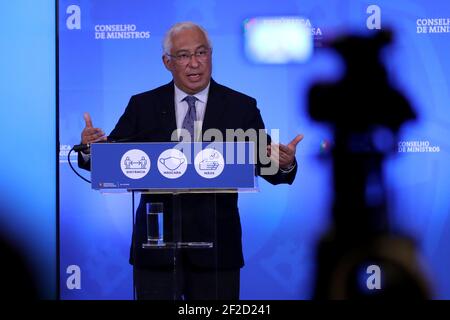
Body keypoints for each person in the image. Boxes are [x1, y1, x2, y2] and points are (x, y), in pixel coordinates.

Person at [78, 21, 303, 300]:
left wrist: (284, 163)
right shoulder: (143, 105)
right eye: (183, 56)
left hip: (218, 251)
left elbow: (266, 165)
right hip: (156, 249)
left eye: (201, 53)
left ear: (211, 55)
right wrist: (90, 149)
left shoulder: (240, 106)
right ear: (167, 62)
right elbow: (112, 159)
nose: (194, 63)